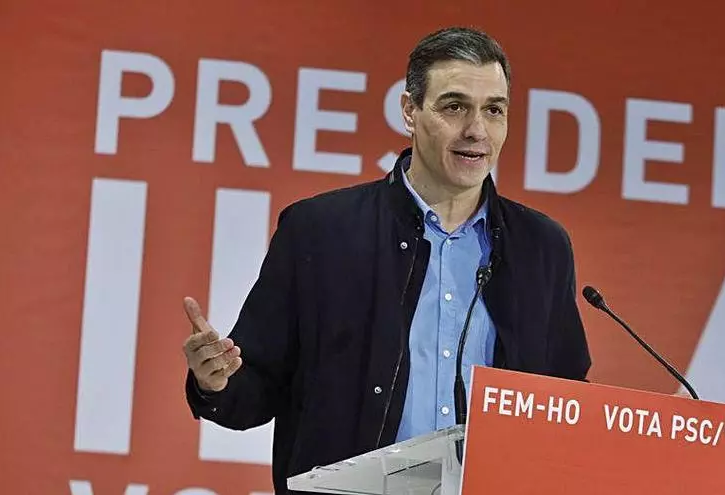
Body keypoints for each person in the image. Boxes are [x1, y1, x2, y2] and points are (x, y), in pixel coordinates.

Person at [181, 26, 591, 494]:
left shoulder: (541, 248)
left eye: (493, 110)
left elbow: (564, 405)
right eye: (454, 107)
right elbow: (256, 390)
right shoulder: (320, 231)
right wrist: (216, 382)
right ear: (410, 111)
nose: (477, 130)